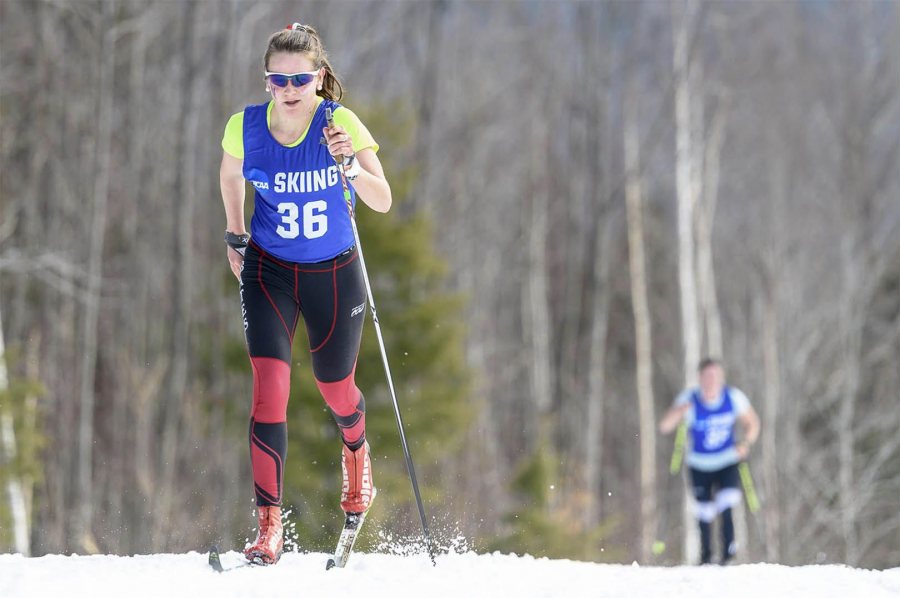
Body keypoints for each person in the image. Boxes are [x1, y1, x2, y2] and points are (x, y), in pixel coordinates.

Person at [219, 21, 392, 565]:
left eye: (299, 79)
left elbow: (383, 199)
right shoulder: (244, 126)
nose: (289, 90)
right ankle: (270, 525)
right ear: (266, 80)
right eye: (278, 79)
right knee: (270, 384)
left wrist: (347, 164)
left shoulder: (339, 122)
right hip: (269, 270)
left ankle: (357, 451)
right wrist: (233, 233)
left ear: (318, 78)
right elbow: (230, 174)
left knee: (335, 388)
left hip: (333, 273)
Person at [659, 358, 760, 565]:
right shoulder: (690, 399)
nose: (711, 381)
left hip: (727, 460)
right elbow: (665, 427)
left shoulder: (733, 397)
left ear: (721, 377)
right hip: (700, 463)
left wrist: (745, 444)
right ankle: (706, 555)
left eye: (715, 376)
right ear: (700, 378)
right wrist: (679, 412)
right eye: (707, 376)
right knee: (703, 510)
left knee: (726, 501)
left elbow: (753, 423)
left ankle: (728, 554)